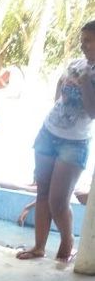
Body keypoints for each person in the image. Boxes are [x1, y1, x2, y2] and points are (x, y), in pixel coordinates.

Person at [16, 20, 95, 263]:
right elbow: (59, 92)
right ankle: (39, 247)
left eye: (89, 41)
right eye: (82, 40)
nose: (83, 46)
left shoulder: (88, 74)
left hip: (74, 143)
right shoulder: (75, 64)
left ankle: (67, 243)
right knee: (43, 192)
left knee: (58, 200)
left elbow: (93, 112)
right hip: (49, 133)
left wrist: (84, 84)